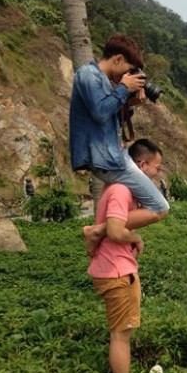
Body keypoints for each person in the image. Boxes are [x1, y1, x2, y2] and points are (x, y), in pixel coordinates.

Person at [69, 34, 169, 252]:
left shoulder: (105, 82)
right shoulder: (88, 75)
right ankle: (97, 231)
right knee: (160, 207)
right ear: (117, 59)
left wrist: (131, 103)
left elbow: (108, 121)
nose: (128, 75)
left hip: (113, 155)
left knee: (142, 204)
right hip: (105, 159)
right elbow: (99, 112)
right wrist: (123, 89)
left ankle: (100, 230)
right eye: (128, 69)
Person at [88, 138, 163, 373]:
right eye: (155, 168)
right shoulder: (121, 190)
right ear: (141, 165)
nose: (155, 173)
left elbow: (115, 226)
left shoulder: (118, 189)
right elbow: (115, 230)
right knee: (121, 335)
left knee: (120, 332)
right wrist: (133, 238)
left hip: (112, 269)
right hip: (118, 272)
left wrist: (134, 236)